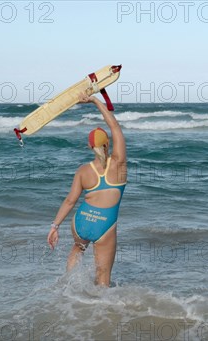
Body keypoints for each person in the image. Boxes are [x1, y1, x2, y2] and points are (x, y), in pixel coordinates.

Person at [47, 93, 127, 287]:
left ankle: (70, 289)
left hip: (81, 222)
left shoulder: (83, 171)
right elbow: (114, 126)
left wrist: (54, 227)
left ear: (89, 146)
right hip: (104, 226)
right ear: (107, 144)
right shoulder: (119, 164)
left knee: (78, 248)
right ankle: (98, 310)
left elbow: (70, 201)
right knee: (103, 278)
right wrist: (95, 100)